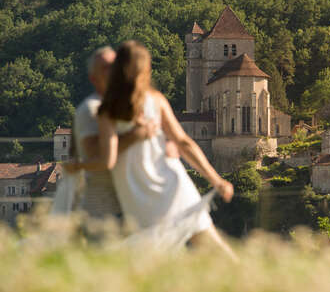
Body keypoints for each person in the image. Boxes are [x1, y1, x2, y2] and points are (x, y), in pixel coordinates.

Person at [65, 41, 236, 259]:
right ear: (146, 70)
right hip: (174, 185)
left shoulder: (107, 111)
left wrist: (77, 165)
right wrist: (216, 179)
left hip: (138, 198)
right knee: (216, 250)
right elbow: (185, 143)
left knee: (154, 262)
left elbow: (107, 161)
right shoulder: (156, 100)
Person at [71, 46, 158, 218]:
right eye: (106, 67)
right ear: (93, 78)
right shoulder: (91, 109)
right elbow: (100, 157)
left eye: (115, 65)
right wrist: (137, 135)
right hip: (104, 207)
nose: (113, 71)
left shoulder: (126, 103)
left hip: (130, 203)